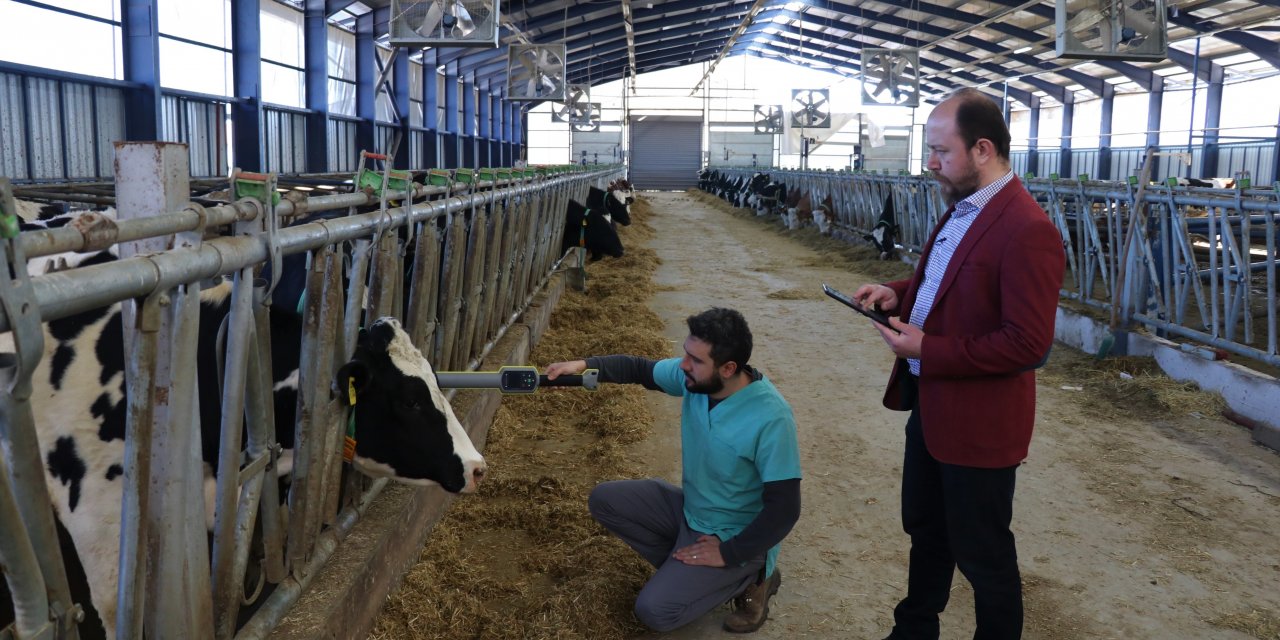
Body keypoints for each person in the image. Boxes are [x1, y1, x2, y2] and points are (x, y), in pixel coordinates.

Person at [852, 88, 1065, 640]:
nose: (930, 163)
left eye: (941, 151)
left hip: (979, 426)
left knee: (983, 554)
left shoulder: (1027, 229)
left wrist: (928, 350)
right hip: (933, 408)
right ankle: (914, 629)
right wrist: (899, 293)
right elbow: (949, 286)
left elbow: (1027, 344)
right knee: (927, 531)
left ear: (983, 150)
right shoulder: (964, 211)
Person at [544, 307, 802, 634]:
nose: (683, 365)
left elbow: (785, 509)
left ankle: (752, 578)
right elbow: (639, 368)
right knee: (605, 500)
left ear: (728, 368)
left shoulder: (771, 418)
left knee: (654, 611)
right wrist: (583, 366)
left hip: (732, 533)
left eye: (695, 360)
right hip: (691, 511)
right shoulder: (696, 381)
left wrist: (728, 553)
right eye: (686, 354)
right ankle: (689, 571)